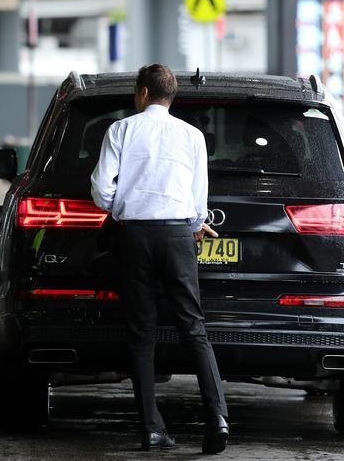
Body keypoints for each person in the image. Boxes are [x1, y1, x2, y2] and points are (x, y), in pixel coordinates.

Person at [90, 64, 229, 454]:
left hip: (134, 236)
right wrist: (196, 223)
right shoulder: (193, 136)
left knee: (141, 333)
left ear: (143, 94)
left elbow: (102, 190)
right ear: (171, 96)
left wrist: (125, 208)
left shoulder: (120, 130)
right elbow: (198, 195)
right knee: (193, 327)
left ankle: (152, 428)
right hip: (178, 235)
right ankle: (217, 417)